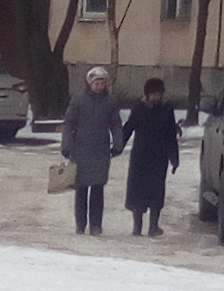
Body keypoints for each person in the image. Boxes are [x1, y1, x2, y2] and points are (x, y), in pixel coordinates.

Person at [60, 65, 119, 235]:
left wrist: (118, 143)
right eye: (96, 83)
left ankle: (96, 225)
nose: (99, 87)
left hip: (101, 151)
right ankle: (80, 224)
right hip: (80, 150)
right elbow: (69, 124)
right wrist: (66, 145)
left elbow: (115, 124)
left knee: (98, 188)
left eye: (102, 83)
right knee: (81, 188)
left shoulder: (110, 102)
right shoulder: (78, 100)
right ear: (89, 84)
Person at [122, 78, 181, 236]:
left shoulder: (167, 109)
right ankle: (137, 226)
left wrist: (174, 158)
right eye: (153, 94)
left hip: (159, 157)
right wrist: (118, 146)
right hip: (140, 156)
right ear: (147, 94)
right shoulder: (139, 108)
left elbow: (170, 134)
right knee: (137, 191)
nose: (156, 97)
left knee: (157, 190)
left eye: (158, 94)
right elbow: (128, 128)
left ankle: (154, 226)